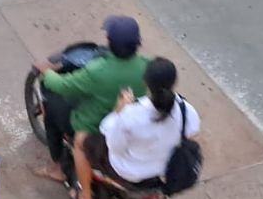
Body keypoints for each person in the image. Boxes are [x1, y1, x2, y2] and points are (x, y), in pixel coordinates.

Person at [34, 16, 150, 199]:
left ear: (110, 43)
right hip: (130, 125)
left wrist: (47, 73)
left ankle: (58, 168)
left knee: (53, 106)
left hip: (93, 126)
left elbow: (63, 85)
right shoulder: (147, 65)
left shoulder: (97, 71)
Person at [85, 57, 201, 185]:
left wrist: (118, 111)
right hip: (163, 169)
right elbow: (192, 131)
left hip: (130, 171)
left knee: (86, 143)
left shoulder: (131, 113)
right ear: (174, 82)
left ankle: (86, 191)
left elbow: (113, 143)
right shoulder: (186, 110)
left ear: (145, 82)